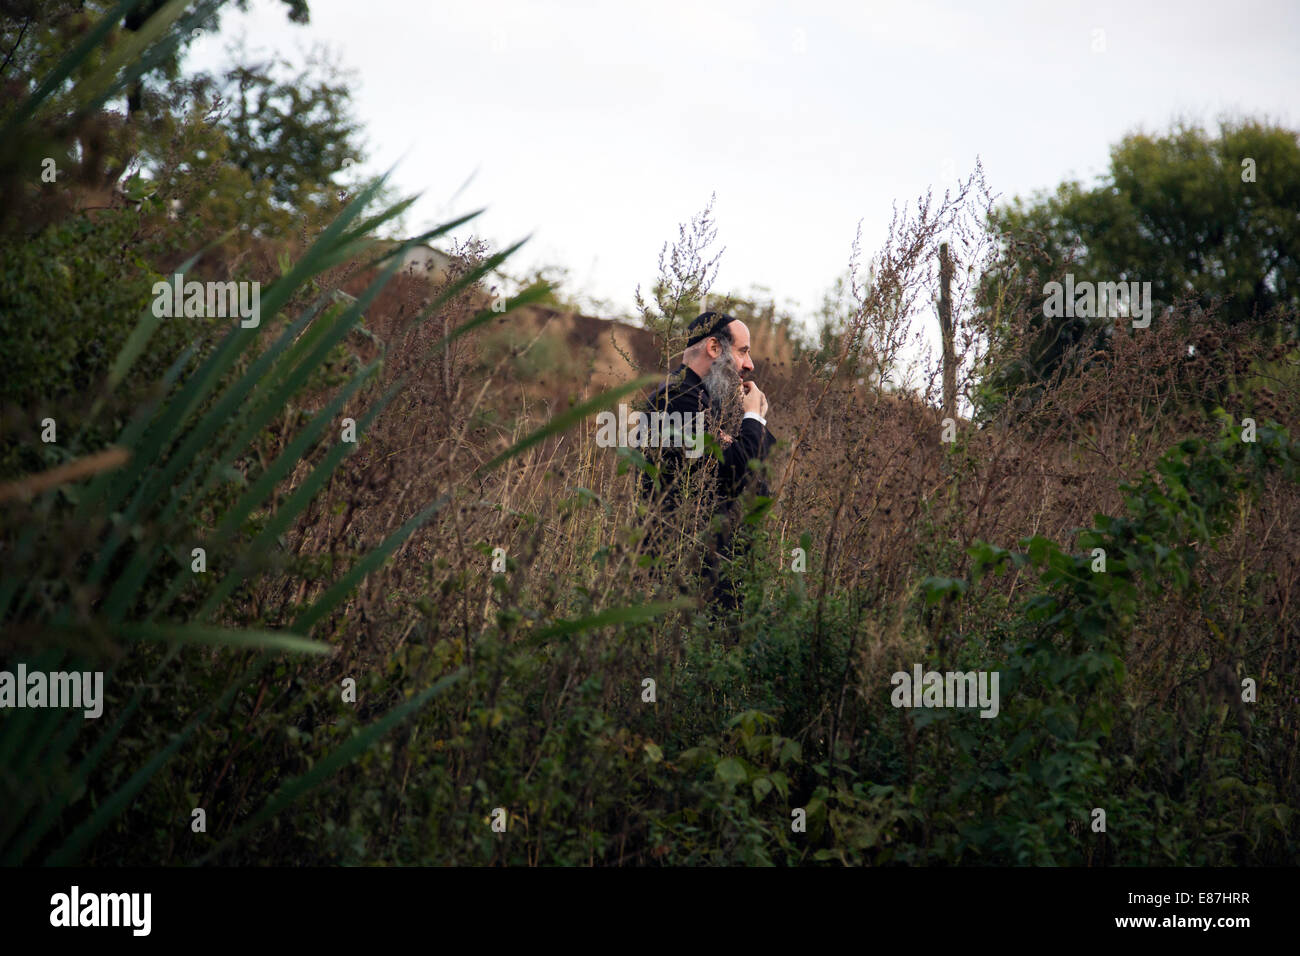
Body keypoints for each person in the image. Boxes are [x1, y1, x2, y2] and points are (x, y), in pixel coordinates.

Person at [638, 311, 776, 618]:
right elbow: (733, 472)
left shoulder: (706, 402)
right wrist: (753, 417)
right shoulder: (676, 400)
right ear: (714, 348)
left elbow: (758, 473)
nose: (750, 365)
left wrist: (748, 420)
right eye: (743, 351)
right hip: (684, 577)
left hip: (708, 572)